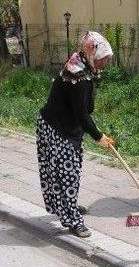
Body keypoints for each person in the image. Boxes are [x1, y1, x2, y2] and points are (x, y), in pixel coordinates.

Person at [36, 31, 116, 237]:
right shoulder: (78, 76)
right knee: (67, 174)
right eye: (102, 60)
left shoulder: (80, 62)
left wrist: (93, 131)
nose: (104, 64)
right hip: (56, 128)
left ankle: (65, 207)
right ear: (92, 54)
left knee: (64, 173)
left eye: (106, 60)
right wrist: (99, 136)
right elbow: (82, 114)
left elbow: (81, 111)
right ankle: (72, 219)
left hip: (63, 125)